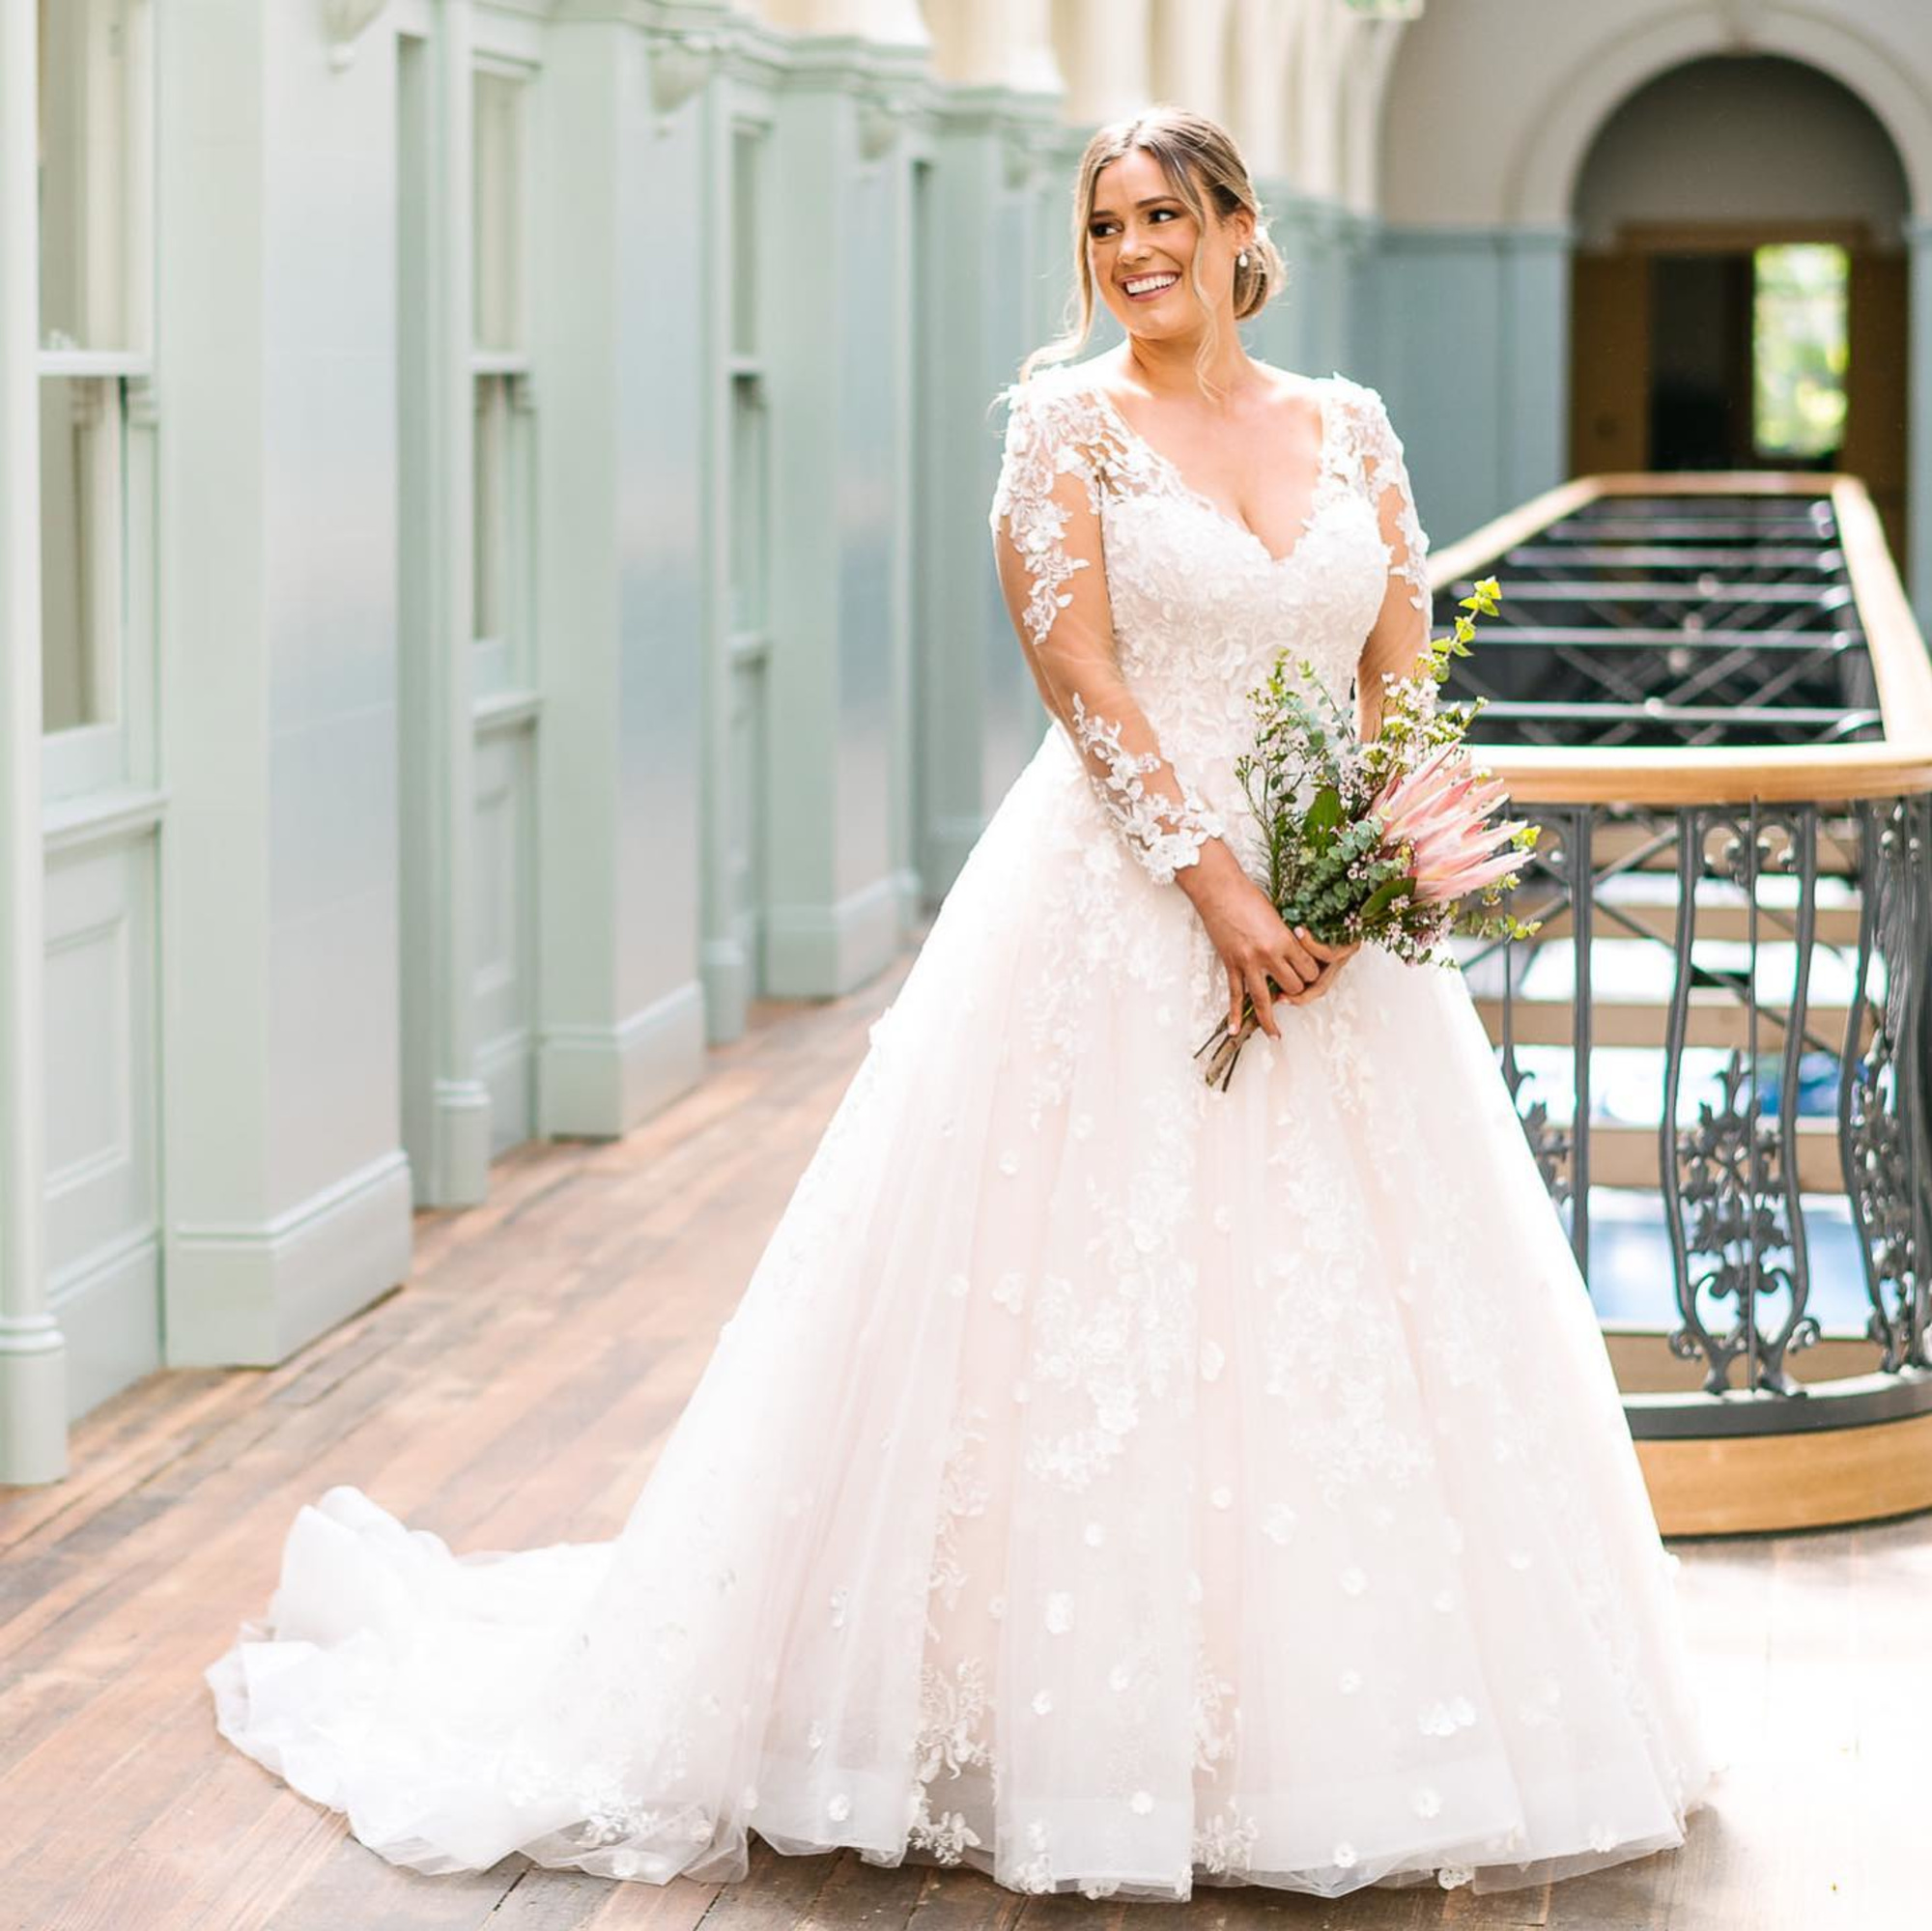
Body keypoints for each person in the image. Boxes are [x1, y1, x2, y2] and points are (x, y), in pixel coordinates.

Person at [206, 104, 1719, 1903]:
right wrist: (1220, 889)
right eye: (1103, 227)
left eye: (1165, 214)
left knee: (1357, 1314)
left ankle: (1334, 1716)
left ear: (1241, 228)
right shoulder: (1062, 430)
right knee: (1079, 1310)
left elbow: (1401, 666)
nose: (1132, 250)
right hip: (1121, 911)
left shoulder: (1352, 427)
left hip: (1338, 933)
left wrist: (1373, 867)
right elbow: (1079, 676)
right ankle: (1034, 1717)